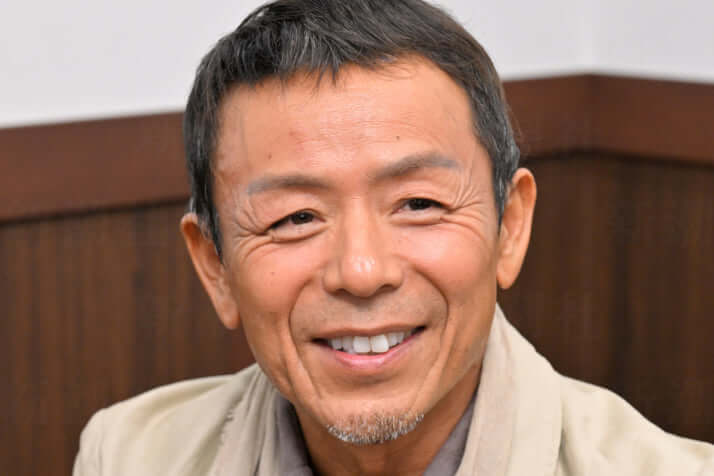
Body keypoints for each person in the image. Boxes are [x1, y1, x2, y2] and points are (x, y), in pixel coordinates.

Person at [73, 1, 714, 474]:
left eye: (418, 204)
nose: (361, 270)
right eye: (295, 217)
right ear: (215, 266)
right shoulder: (129, 456)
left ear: (510, 227)